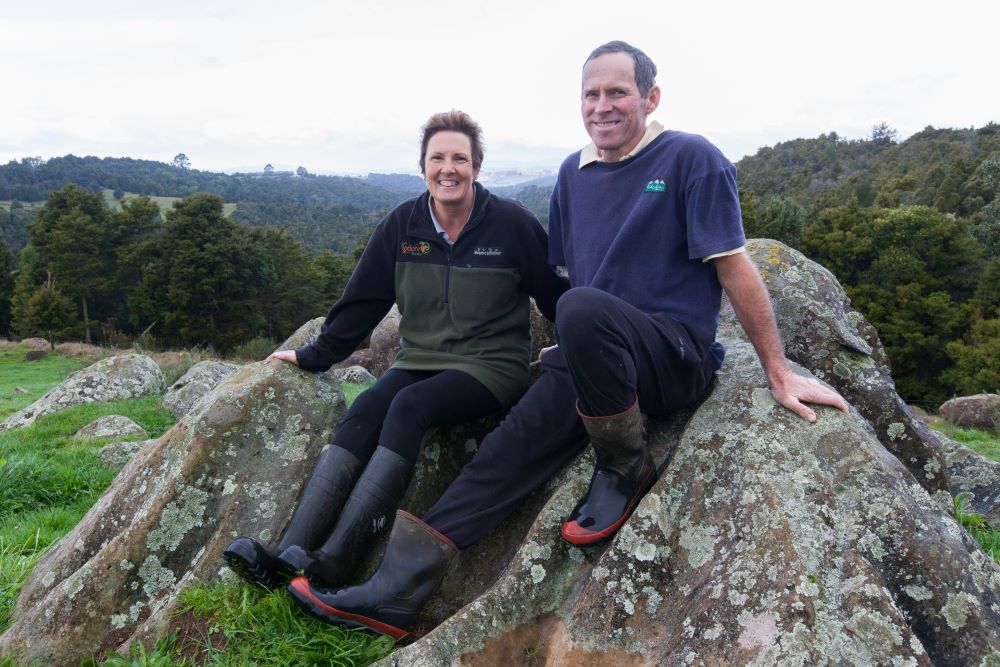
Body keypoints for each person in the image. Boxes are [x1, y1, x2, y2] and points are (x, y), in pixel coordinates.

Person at [287, 41, 849, 639]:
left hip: (672, 355)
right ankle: (395, 595)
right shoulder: (571, 176)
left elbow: (733, 265)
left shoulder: (691, 157)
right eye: (591, 94)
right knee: (499, 456)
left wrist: (778, 370)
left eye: (617, 92)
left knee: (581, 309)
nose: (602, 106)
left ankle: (624, 462)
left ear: (649, 97)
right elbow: (568, 283)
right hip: (589, 356)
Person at [222, 110, 568, 592]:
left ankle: (338, 559)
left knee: (409, 407)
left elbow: (555, 298)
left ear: (477, 167)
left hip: (490, 367)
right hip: (418, 360)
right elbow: (363, 300)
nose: (448, 168)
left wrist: (579, 348)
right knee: (365, 408)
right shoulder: (403, 224)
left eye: (460, 159)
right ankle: (287, 553)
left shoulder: (512, 225)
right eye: (438, 158)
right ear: (423, 165)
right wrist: (316, 354)